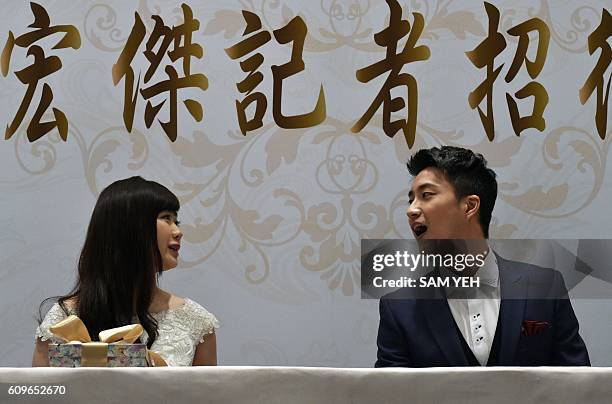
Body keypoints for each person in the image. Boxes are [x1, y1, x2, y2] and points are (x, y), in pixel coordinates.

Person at [375, 146, 590, 367]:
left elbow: (579, 386)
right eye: (411, 200)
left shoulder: (546, 287)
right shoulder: (399, 306)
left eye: (426, 195)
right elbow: (389, 395)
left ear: (470, 206)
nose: (411, 210)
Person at [32, 176, 219, 366]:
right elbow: (40, 394)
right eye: (166, 218)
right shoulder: (64, 322)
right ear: (128, 228)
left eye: (176, 221)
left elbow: (205, 395)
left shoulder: (197, 322)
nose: (178, 232)